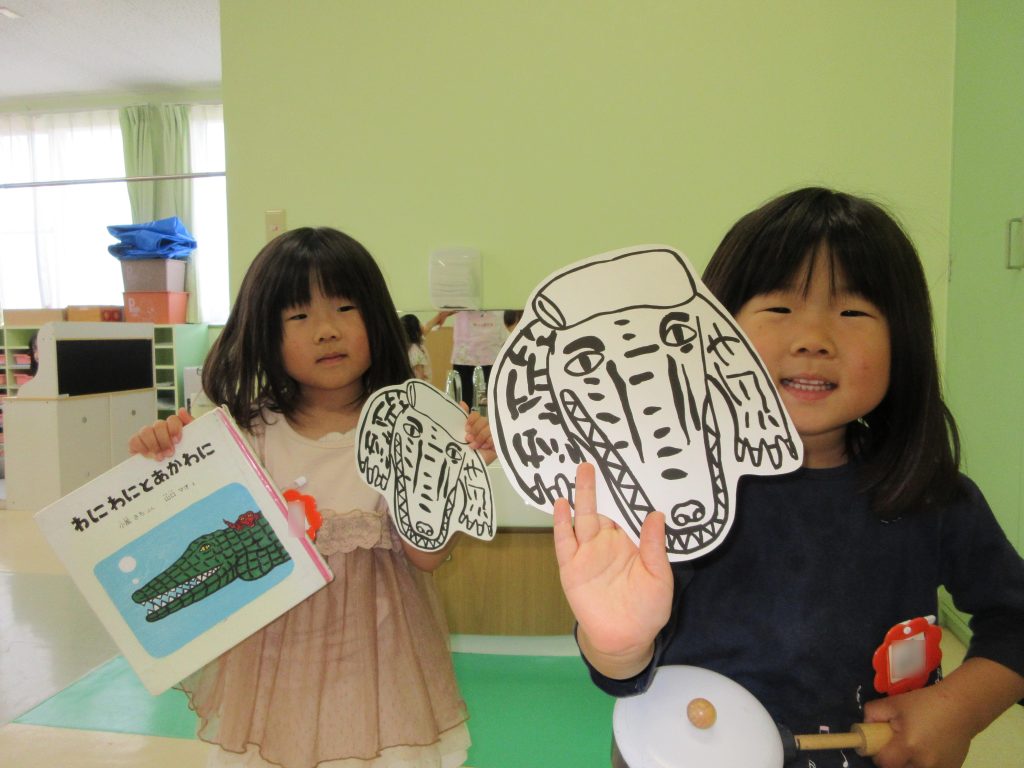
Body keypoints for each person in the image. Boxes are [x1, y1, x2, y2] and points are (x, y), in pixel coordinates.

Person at [552, 188, 1024, 768]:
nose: (813, 340)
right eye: (779, 309)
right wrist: (619, 644)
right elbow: (622, 674)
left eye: (853, 313)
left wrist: (961, 707)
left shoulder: (929, 494)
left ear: (902, 339)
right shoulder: (668, 493)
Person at [129, 227, 495, 768]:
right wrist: (161, 452)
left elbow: (426, 557)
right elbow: (177, 526)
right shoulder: (244, 435)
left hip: (380, 672)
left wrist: (456, 469)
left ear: (376, 318)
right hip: (275, 674)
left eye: (346, 308)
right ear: (265, 333)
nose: (327, 330)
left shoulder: (410, 429)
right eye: (299, 316)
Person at [422, 309, 506, 407]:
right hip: (464, 355)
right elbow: (453, 305)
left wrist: (441, 315)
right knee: (463, 404)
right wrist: (442, 315)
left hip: (489, 354)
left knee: (487, 403)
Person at [401, 312, 432, 381]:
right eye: (419, 323)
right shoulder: (415, 350)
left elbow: (428, 327)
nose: (422, 326)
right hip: (420, 386)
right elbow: (419, 375)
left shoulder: (409, 347)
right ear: (416, 330)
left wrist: (442, 315)